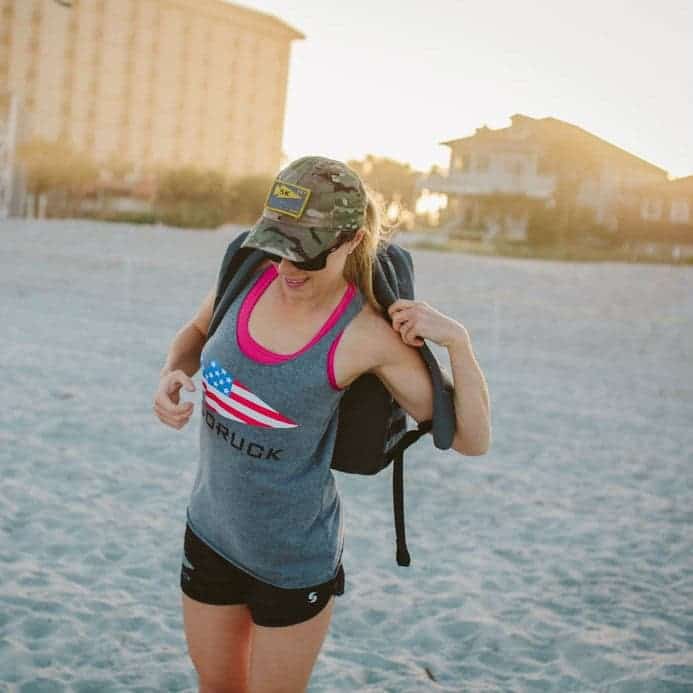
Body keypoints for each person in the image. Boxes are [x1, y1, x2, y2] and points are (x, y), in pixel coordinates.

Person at [153, 156, 491, 693]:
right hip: (209, 533)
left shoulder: (365, 334)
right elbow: (195, 331)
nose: (288, 266)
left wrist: (460, 343)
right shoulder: (248, 271)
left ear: (351, 240)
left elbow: (471, 439)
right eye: (279, 244)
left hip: (292, 564)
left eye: (306, 253)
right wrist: (173, 371)